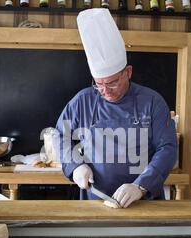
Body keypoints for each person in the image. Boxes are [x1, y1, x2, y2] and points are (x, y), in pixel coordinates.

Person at [53, 9, 177, 208]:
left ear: (127, 72)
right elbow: (61, 135)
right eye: (98, 84)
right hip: (95, 201)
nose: (104, 91)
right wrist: (75, 166)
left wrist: (141, 186)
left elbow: (167, 149)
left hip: (143, 202)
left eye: (111, 83)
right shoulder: (82, 101)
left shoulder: (152, 102)